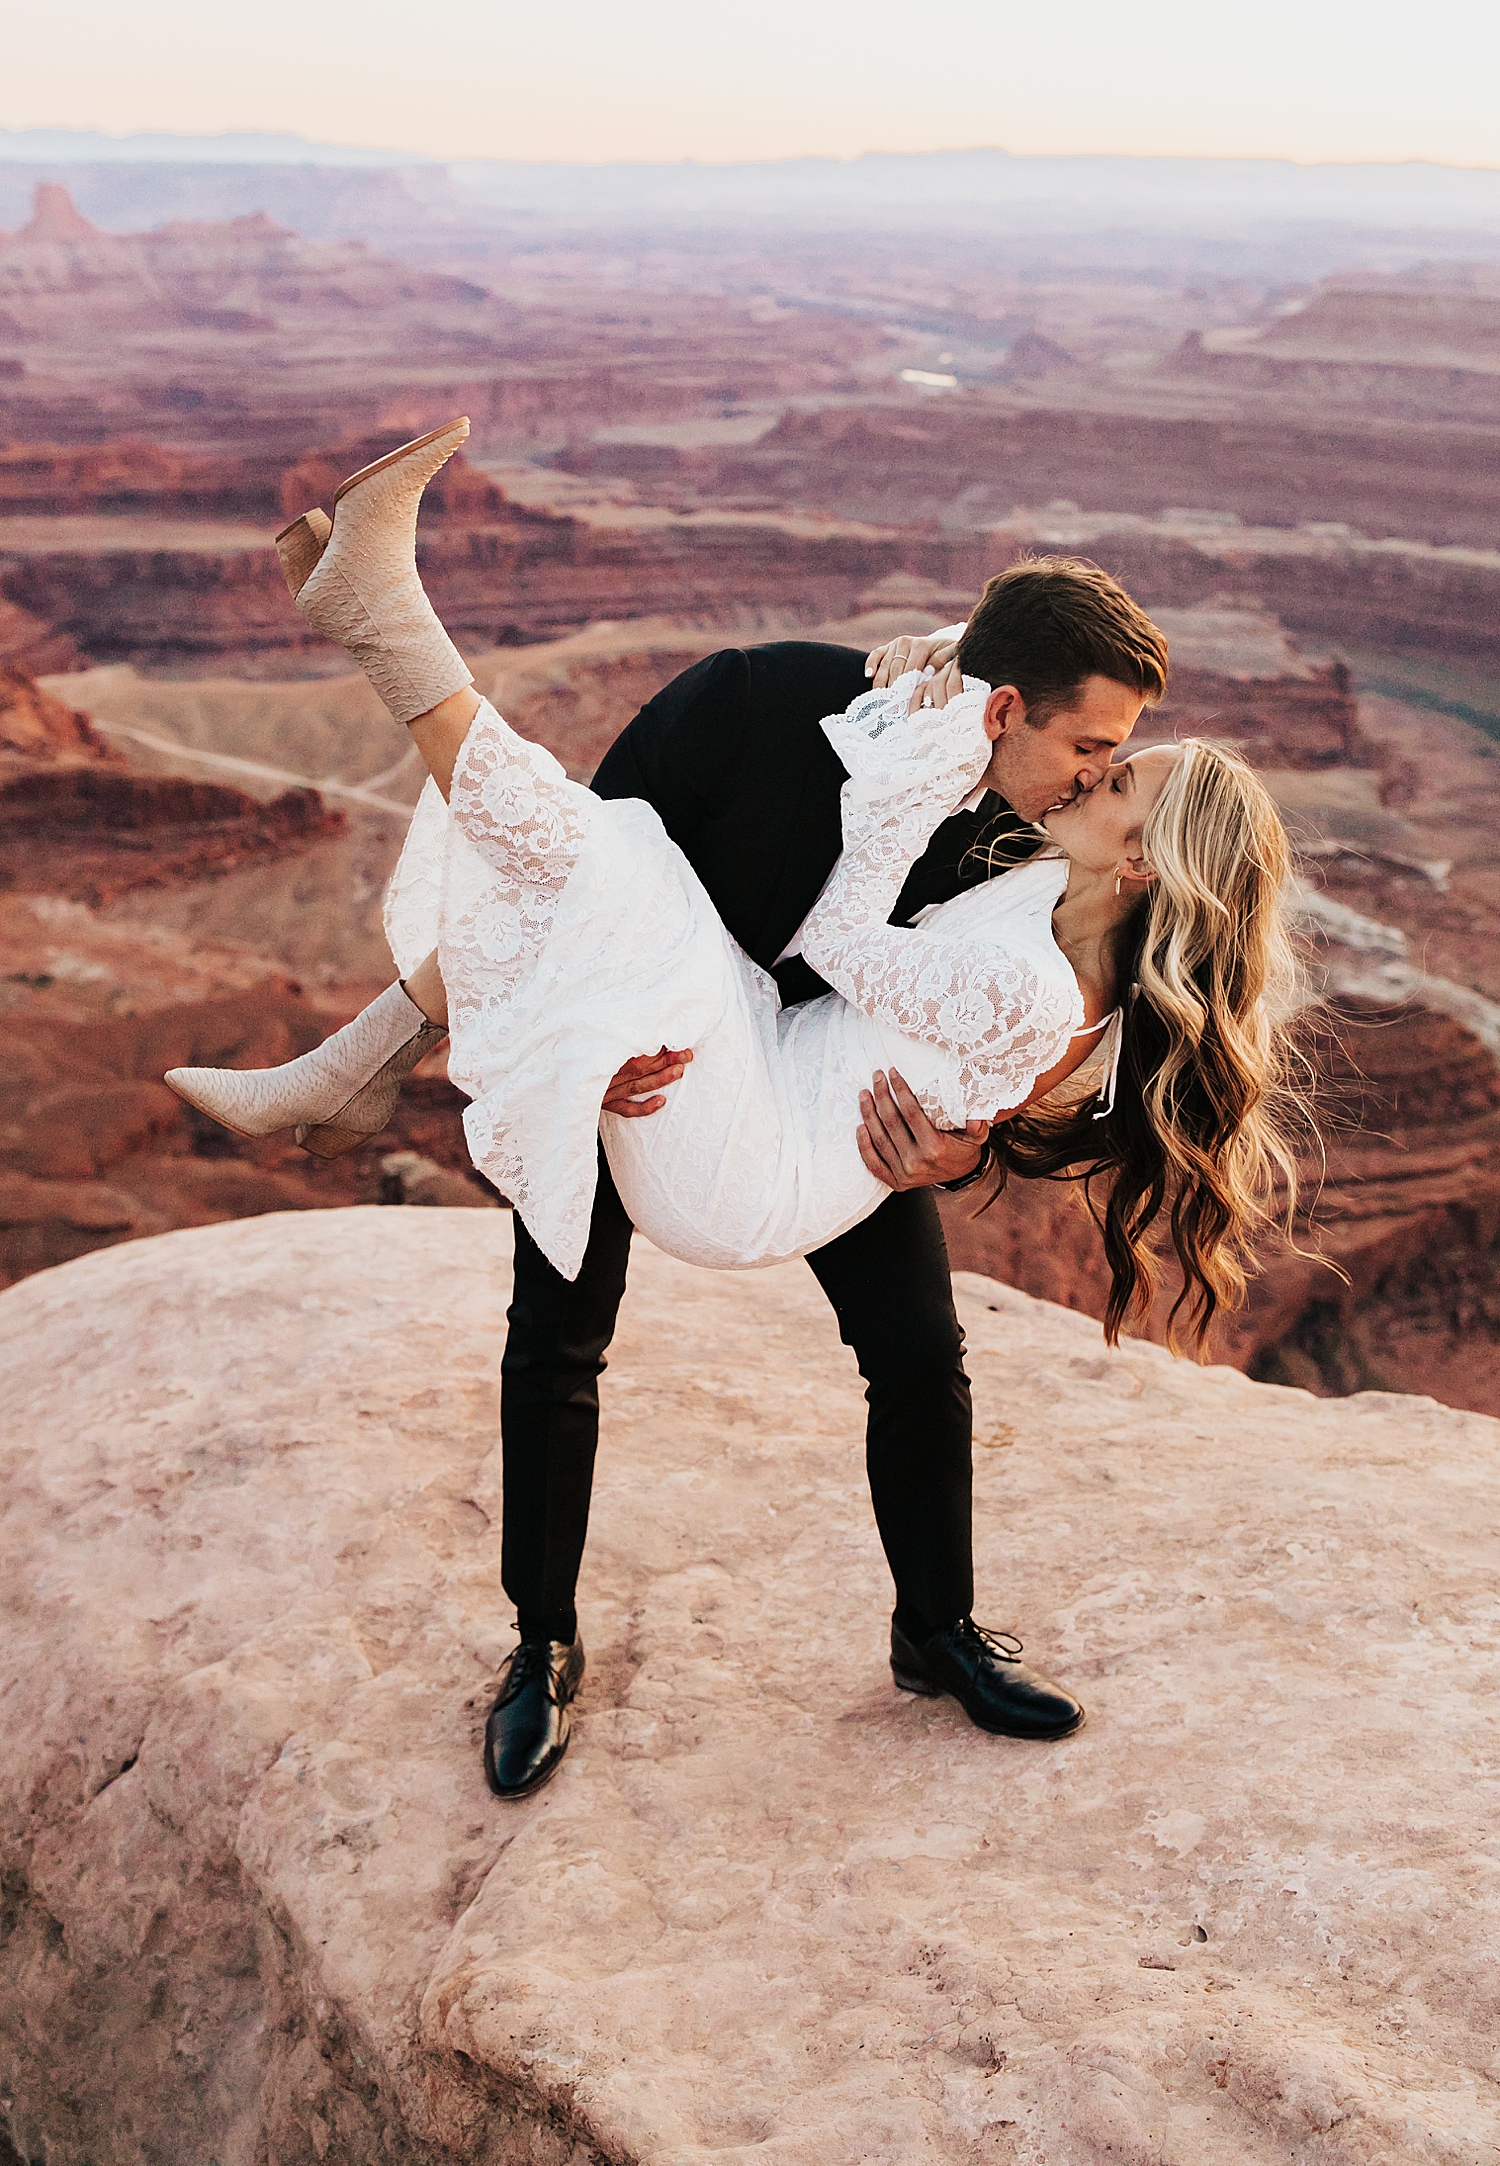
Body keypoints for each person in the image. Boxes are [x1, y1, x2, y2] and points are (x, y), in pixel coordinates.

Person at [167, 422, 1300, 1801]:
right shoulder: (752, 712)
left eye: (1114, 764)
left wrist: (976, 1137)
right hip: (689, 1054)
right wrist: (596, 1040)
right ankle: (541, 1645)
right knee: (557, 1332)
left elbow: (1060, 1004)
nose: (1095, 772)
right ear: (1008, 709)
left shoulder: (1015, 810)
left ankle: (936, 1630)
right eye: (1095, 750)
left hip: (809, 1098)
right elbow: (574, 890)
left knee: (920, 1354)